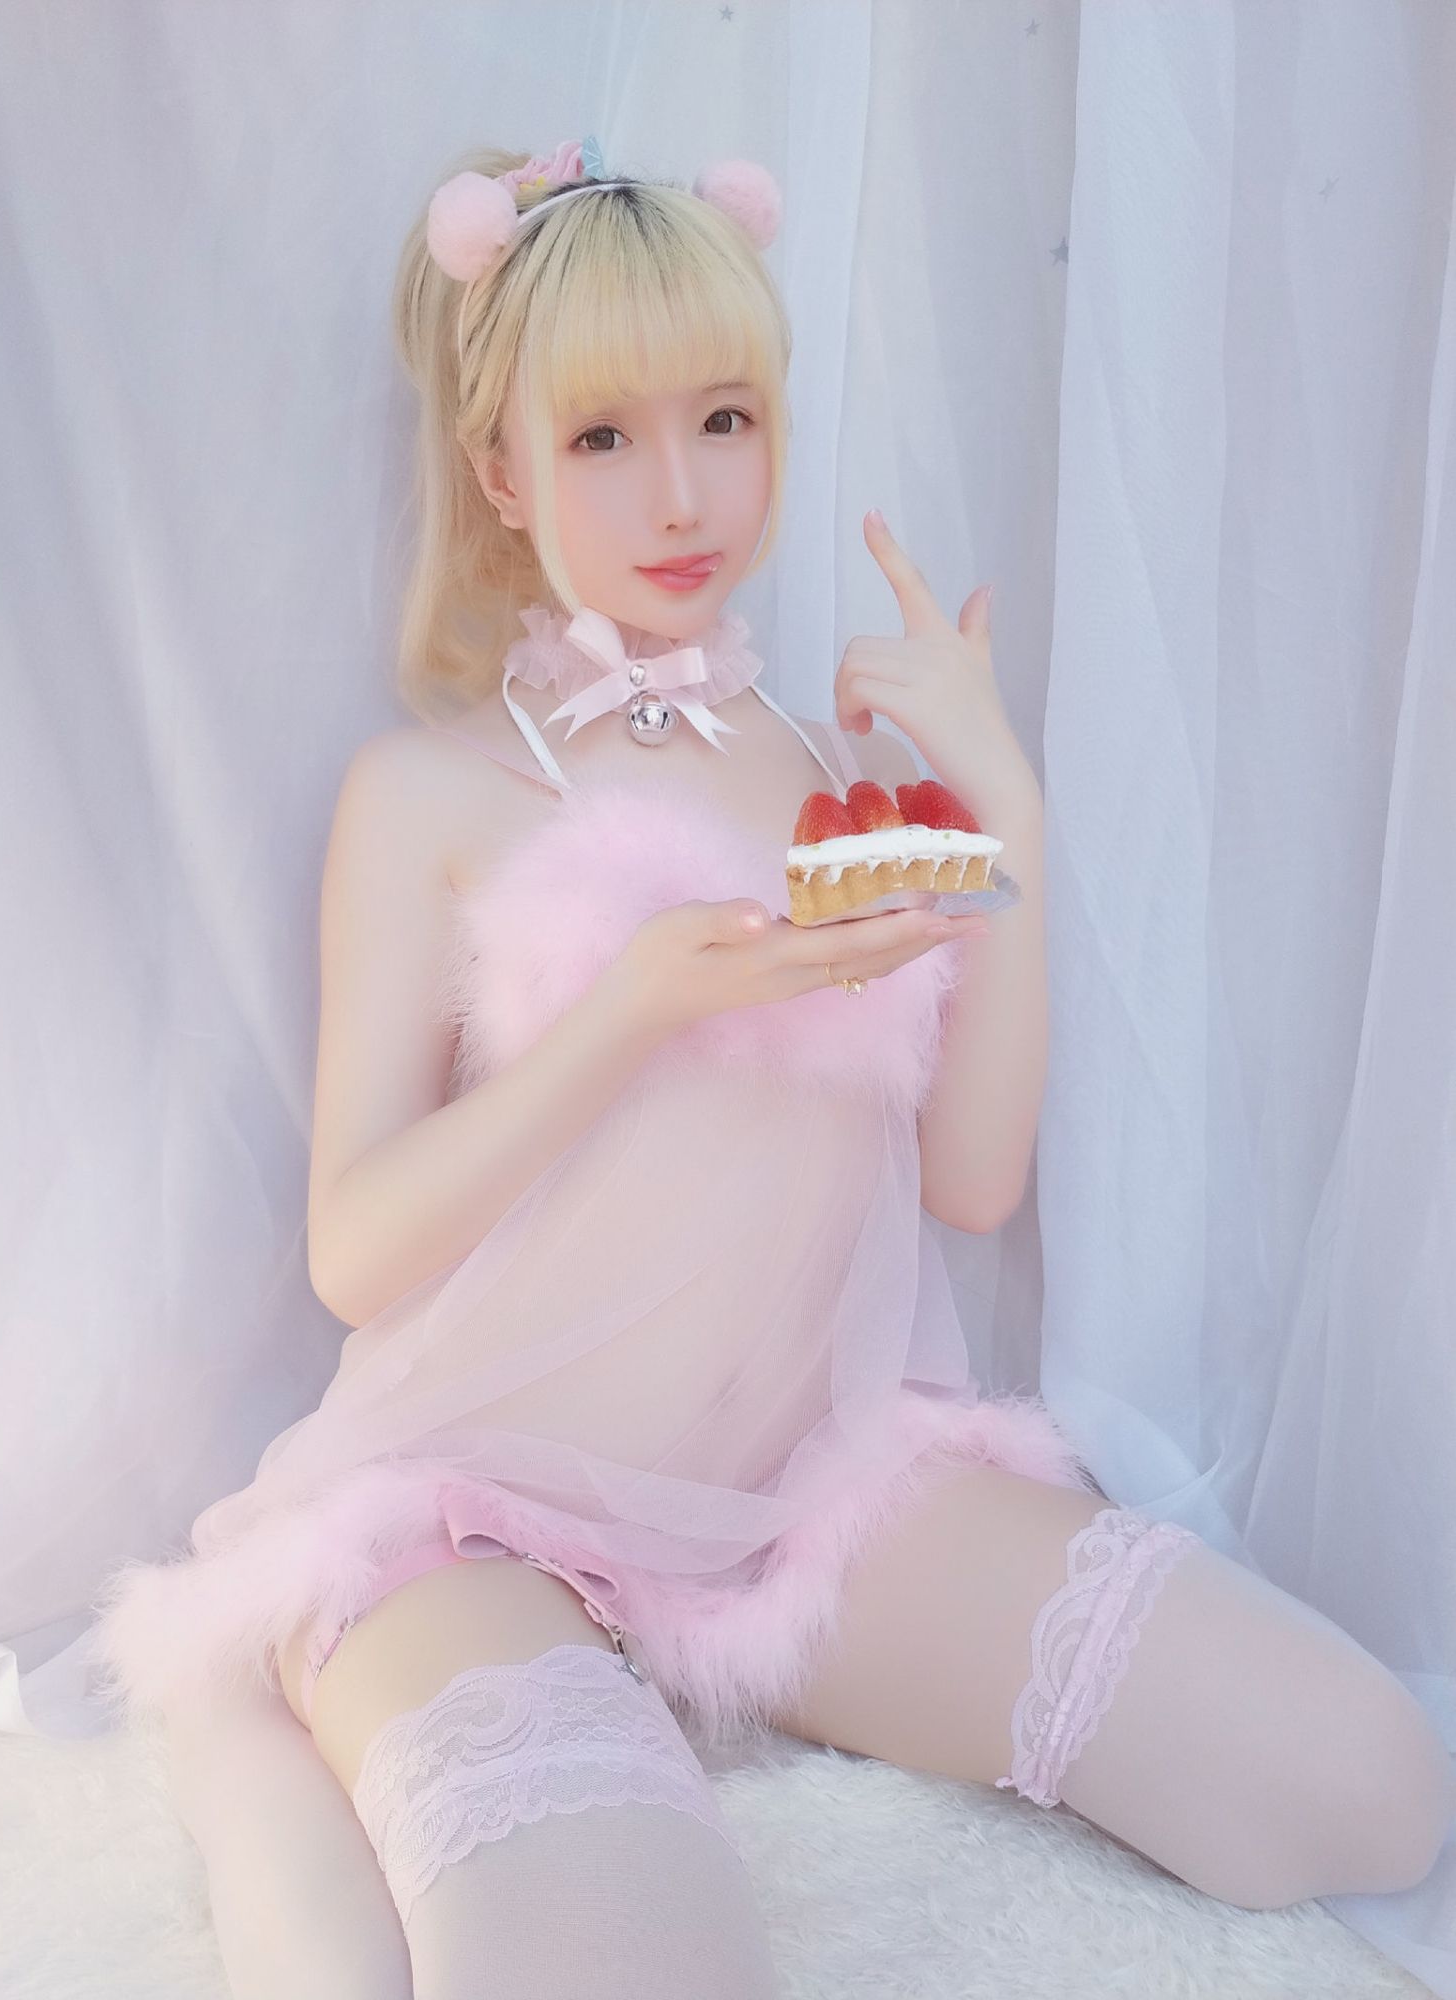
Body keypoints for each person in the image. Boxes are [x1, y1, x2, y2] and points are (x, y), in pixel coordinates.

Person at [91, 138, 1454, 2000]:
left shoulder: (837, 779)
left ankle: (666, 1687)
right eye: (601, 437)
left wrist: (997, 800)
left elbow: (970, 1180)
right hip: (469, 1511)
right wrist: (628, 1010)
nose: (682, 494)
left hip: (800, 1502)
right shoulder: (427, 795)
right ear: (501, 471)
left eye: (723, 418)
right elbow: (354, 1250)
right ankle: (264, 1710)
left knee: (1364, 1787)